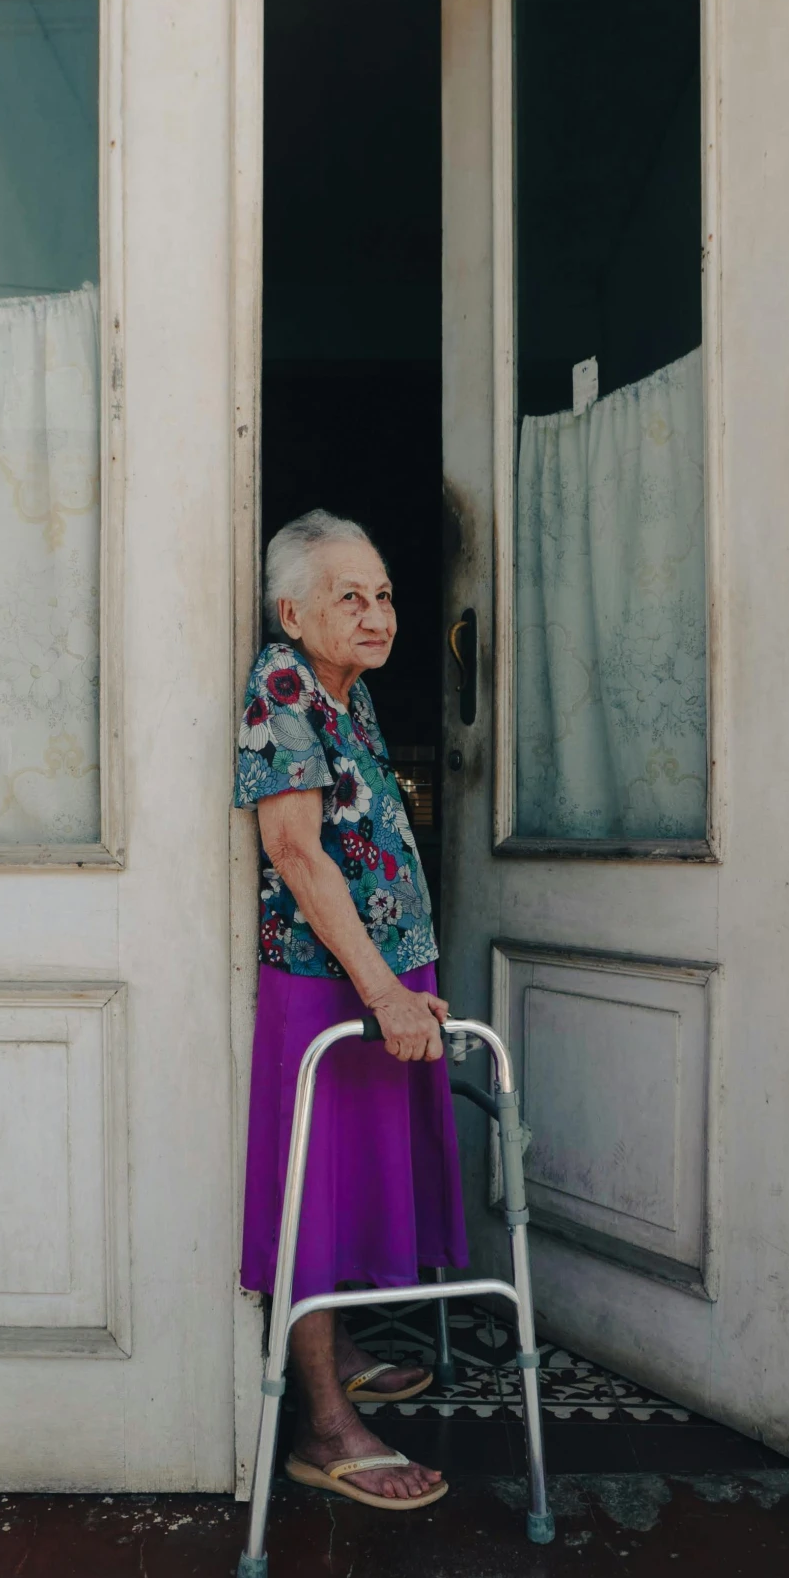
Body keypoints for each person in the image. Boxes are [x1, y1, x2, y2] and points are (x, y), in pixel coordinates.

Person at [235, 509, 464, 1510]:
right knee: (310, 1202)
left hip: (376, 982)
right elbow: (293, 848)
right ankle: (322, 1427)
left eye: (382, 595)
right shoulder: (281, 684)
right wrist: (380, 990)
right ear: (293, 612)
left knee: (353, 1185)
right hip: (326, 988)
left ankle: (344, 1345)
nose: (376, 614)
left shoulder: (347, 695)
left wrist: (399, 980)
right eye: (349, 597)